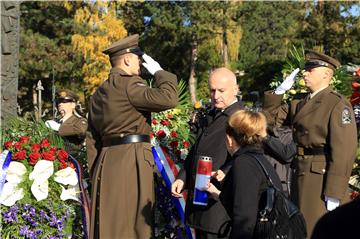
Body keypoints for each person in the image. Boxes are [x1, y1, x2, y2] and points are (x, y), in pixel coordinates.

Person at [86, 34, 178, 239]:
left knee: (111, 225)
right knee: (135, 225)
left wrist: (96, 173)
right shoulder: (130, 85)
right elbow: (169, 99)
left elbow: (92, 138)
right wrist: (160, 73)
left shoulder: (99, 93)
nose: (140, 64)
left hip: (105, 162)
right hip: (132, 160)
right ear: (127, 59)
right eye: (138, 58)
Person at [264, 50, 357, 236]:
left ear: (326, 74)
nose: (304, 73)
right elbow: (269, 120)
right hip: (298, 171)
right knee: (298, 229)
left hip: (320, 177)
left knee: (312, 229)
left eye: (310, 69)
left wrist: (334, 191)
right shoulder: (299, 101)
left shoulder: (337, 104)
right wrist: (279, 92)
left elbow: (343, 150)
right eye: (305, 69)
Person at [171, 67, 244, 238]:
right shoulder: (212, 115)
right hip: (200, 202)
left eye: (221, 90)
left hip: (219, 206)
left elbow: (247, 155)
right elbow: (196, 152)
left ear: (235, 89)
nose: (216, 96)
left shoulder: (241, 118)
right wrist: (182, 177)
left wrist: (224, 172)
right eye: (212, 90)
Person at [206, 110, 282, 239]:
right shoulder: (258, 159)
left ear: (230, 139)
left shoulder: (244, 163)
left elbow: (244, 219)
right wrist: (219, 190)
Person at [45, 89, 87, 155]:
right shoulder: (55, 121)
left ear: (73, 105)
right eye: (58, 101)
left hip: (72, 160)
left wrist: (59, 128)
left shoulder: (80, 121)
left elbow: (81, 130)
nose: (60, 104)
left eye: (64, 101)